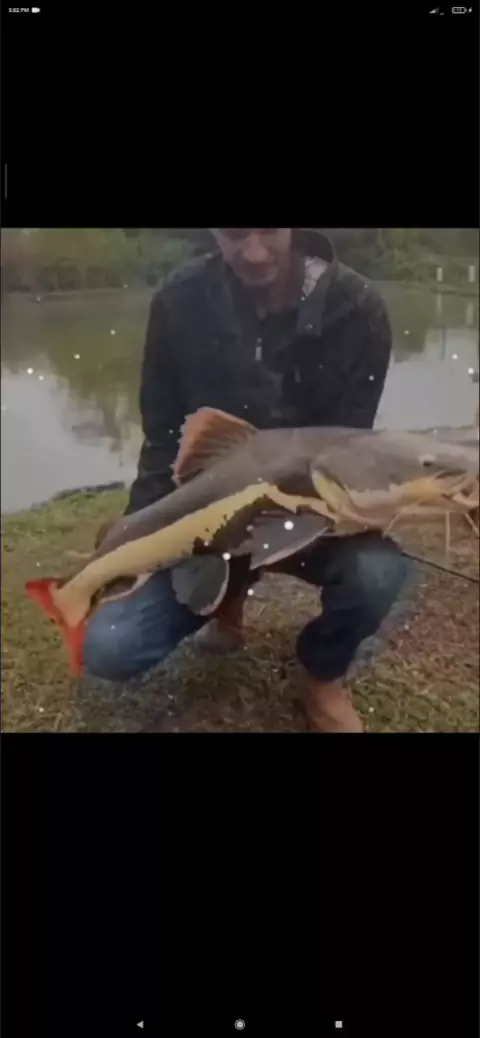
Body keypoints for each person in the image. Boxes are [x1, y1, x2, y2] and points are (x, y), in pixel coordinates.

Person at [83, 229, 408, 732]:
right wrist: (137, 534)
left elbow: (351, 450)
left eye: (268, 230)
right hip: (209, 521)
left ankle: (321, 675)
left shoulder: (358, 309)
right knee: (109, 647)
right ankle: (226, 596)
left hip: (310, 514)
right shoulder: (177, 302)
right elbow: (163, 438)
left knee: (378, 573)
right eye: (235, 232)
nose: (253, 253)